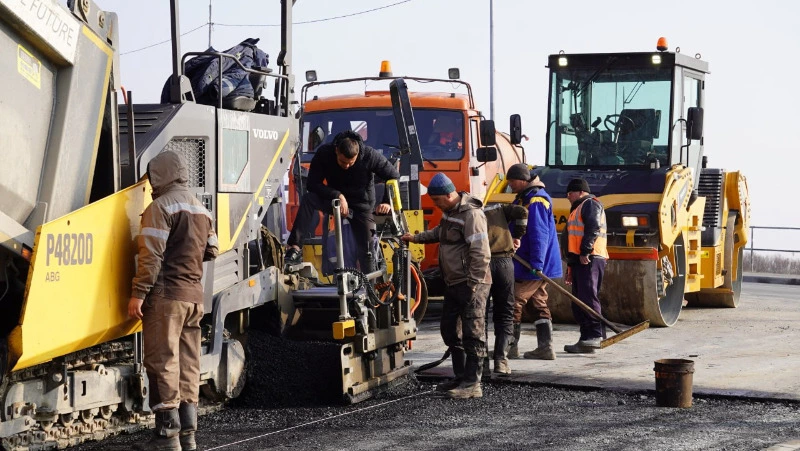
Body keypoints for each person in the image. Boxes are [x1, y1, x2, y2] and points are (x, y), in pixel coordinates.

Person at [128, 151, 219, 451]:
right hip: (195, 298)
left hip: (167, 297)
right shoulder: (202, 209)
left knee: (163, 360)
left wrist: (138, 293)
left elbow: (151, 256)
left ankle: (167, 438)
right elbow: (212, 251)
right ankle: (188, 435)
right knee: (188, 363)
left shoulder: (160, 207)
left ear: (160, 175)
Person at [401, 173, 491, 399]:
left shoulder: (471, 214)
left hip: (471, 283)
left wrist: (474, 284)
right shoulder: (450, 214)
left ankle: (473, 384)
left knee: (473, 333)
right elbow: (440, 234)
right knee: (450, 329)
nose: (434, 204)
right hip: (453, 281)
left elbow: (481, 252)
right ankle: (461, 377)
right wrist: (415, 238)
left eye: (437, 200)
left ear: (449, 195)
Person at [285, 130, 399, 273]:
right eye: (343, 162)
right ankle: (294, 248)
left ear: (358, 154)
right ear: (336, 151)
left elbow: (393, 175)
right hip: (335, 202)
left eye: (351, 163)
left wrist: (387, 202)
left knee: (368, 251)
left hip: (362, 207)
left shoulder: (370, 155)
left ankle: (369, 290)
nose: (346, 166)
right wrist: (337, 195)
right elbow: (312, 184)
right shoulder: (324, 154)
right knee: (309, 199)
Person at [505, 163, 562, 361]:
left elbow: (540, 235)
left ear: (522, 179)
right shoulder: (524, 198)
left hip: (533, 264)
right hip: (529, 262)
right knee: (537, 304)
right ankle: (545, 349)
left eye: (512, 181)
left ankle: (509, 348)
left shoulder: (536, 201)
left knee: (513, 300)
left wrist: (537, 265)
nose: (510, 185)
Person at [562, 178, 609, 353]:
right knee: (579, 301)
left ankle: (595, 335)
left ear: (581, 191)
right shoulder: (577, 208)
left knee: (588, 297)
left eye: (570, 193)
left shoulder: (590, 204)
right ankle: (586, 338)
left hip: (590, 258)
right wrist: (571, 266)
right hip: (580, 260)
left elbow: (593, 228)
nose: (567, 197)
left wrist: (585, 251)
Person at [482, 200, 528, 375]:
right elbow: (522, 212)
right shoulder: (498, 208)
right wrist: (517, 236)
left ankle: (482, 362)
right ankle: (501, 360)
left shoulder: (465, 211)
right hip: (504, 264)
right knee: (505, 312)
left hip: (481, 264)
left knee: (480, 315)